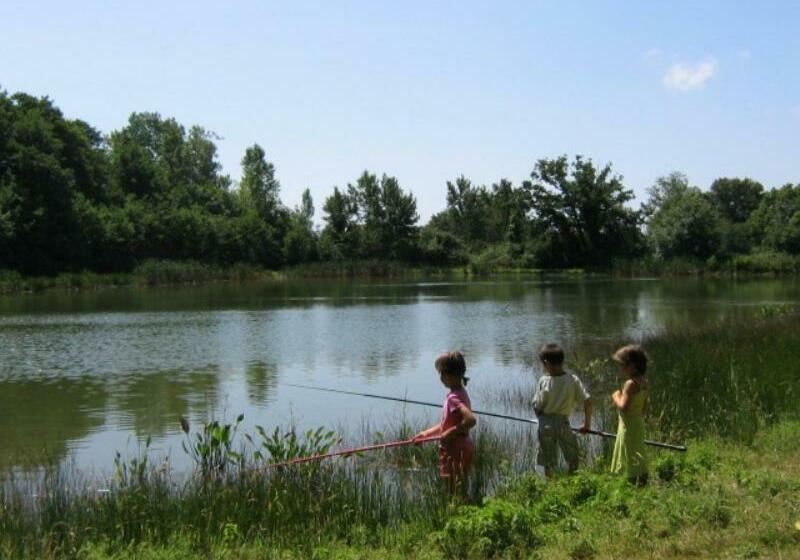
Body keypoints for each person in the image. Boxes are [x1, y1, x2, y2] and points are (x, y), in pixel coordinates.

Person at [414, 351, 477, 497]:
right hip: (464, 445)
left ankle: (456, 513)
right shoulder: (461, 392)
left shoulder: (453, 398)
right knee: (460, 486)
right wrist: (425, 435)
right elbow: (445, 425)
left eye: (441, 373)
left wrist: (451, 432)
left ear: (449, 375)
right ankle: (463, 509)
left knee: (452, 489)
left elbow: (471, 420)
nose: (440, 378)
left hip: (455, 448)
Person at [532, 343, 592, 477]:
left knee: (548, 461)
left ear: (546, 363)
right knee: (573, 457)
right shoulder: (573, 380)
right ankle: (571, 481)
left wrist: (540, 415)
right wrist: (586, 425)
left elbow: (537, 405)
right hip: (563, 424)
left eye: (543, 364)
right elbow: (588, 402)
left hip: (545, 424)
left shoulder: (544, 381)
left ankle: (551, 486)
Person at [610, 344, 649, 485]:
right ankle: (641, 477)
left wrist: (616, 396)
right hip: (638, 423)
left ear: (631, 366)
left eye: (621, 365)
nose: (620, 369)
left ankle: (632, 480)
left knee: (629, 450)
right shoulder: (644, 382)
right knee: (637, 449)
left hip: (628, 425)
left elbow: (623, 407)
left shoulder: (630, 384)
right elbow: (644, 408)